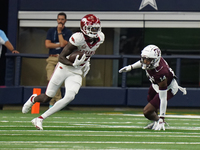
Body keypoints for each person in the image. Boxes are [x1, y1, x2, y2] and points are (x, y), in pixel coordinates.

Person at [22, 14, 105, 130]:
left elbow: (89, 51)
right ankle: (33, 99)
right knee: (47, 97)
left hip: (76, 71)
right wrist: (72, 64)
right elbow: (61, 57)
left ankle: (40, 118)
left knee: (70, 96)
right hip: (64, 68)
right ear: (84, 28)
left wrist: (87, 62)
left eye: (96, 28)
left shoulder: (100, 38)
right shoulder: (78, 38)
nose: (95, 30)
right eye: (92, 28)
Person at [119, 45, 187, 130]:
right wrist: (131, 67)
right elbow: (143, 62)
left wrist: (162, 118)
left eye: (148, 60)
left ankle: (159, 121)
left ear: (155, 60)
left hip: (168, 88)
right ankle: (156, 121)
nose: (145, 62)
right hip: (155, 84)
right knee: (150, 99)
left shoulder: (161, 73)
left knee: (147, 111)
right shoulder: (153, 61)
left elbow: (163, 98)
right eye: (144, 59)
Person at [45, 12, 72, 108]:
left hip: (62, 58)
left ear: (65, 20)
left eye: (62, 19)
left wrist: (60, 32)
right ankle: (58, 102)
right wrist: (59, 44)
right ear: (57, 20)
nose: (60, 21)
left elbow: (64, 44)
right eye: (59, 19)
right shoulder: (51, 31)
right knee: (50, 79)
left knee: (58, 80)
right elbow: (47, 45)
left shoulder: (68, 32)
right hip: (52, 58)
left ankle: (53, 103)